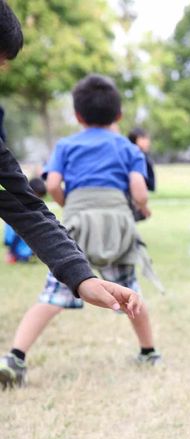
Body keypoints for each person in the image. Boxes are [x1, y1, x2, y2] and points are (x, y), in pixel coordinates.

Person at [0, 1, 142, 388]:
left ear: (78, 116)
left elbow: (35, 192)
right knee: (131, 294)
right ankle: (149, 350)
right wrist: (140, 210)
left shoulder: (65, 145)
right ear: (117, 116)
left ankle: (16, 354)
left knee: (52, 297)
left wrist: (80, 274)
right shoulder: (128, 149)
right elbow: (139, 190)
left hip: (76, 225)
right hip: (118, 229)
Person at [4, 177, 45, 263]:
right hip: (15, 241)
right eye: (37, 196)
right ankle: (14, 255)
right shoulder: (18, 206)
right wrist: (11, 253)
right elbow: (13, 234)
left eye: (41, 197)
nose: (39, 200)